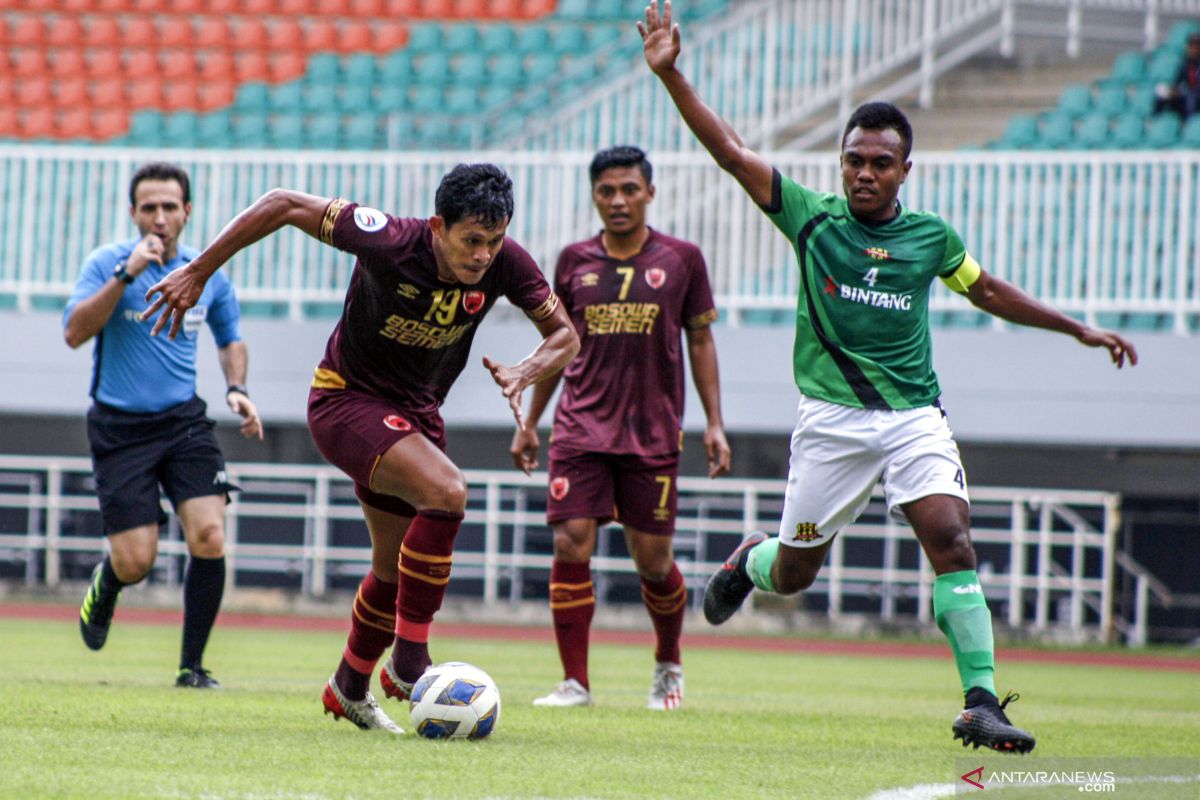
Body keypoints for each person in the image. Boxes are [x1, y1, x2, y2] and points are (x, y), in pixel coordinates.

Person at [639, 0, 1139, 752]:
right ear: (840, 163)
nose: (865, 173)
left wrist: (1075, 328)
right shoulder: (810, 218)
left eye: (881, 163)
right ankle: (754, 559)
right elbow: (734, 154)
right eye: (854, 160)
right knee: (797, 572)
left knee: (952, 540)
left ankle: (979, 701)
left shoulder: (931, 236)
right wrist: (673, 74)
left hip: (914, 418)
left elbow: (989, 290)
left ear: (906, 169)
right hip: (832, 423)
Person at [140, 163, 580, 733]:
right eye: (472, 240)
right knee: (448, 491)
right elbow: (281, 202)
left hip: (415, 418)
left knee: (392, 569)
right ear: (438, 226)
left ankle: (348, 686)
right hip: (346, 401)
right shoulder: (390, 238)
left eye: (493, 241)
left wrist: (528, 369)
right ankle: (410, 662)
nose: (483, 256)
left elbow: (566, 335)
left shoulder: (507, 262)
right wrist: (198, 272)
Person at [509, 145, 732, 711]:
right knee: (569, 542)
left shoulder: (683, 260)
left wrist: (715, 424)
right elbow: (558, 348)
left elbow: (700, 341)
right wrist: (530, 422)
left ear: (650, 193)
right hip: (581, 427)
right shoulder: (573, 261)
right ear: (594, 196)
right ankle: (575, 683)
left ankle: (667, 664)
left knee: (653, 562)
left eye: (630, 189)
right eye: (606, 191)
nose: (618, 201)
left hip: (652, 433)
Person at [64, 162, 264, 689]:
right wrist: (126, 274)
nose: (159, 217)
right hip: (119, 427)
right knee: (137, 561)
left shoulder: (209, 273)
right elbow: (74, 333)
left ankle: (191, 667)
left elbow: (230, 337)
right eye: (148, 207)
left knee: (209, 535)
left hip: (183, 424)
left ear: (187, 212)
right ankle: (107, 585)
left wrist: (237, 390)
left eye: (169, 207)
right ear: (133, 213)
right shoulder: (106, 263)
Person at [1154, 31, 1200, 120]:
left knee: (1191, 97)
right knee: (1162, 93)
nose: (1194, 49)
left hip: (1195, 94)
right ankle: (1156, 122)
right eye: (1191, 46)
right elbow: (1178, 80)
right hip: (1185, 92)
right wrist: (1173, 90)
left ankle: (1189, 124)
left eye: (1196, 46)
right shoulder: (1184, 63)